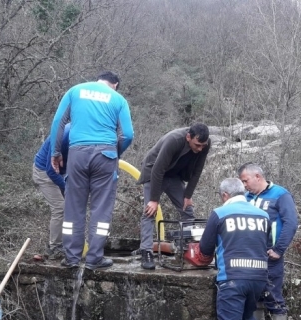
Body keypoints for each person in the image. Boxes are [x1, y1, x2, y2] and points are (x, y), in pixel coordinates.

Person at [49, 71, 134, 270]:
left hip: (77, 153)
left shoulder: (75, 91)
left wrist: (55, 152)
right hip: (106, 155)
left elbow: (57, 123)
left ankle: (71, 258)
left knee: (73, 208)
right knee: (101, 209)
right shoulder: (118, 99)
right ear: (115, 84)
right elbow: (128, 135)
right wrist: (115, 153)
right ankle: (94, 258)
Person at [198, 178, 270, 320]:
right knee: (249, 318)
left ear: (225, 196)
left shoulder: (220, 214)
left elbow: (204, 250)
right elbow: (265, 245)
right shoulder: (263, 215)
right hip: (258, 278)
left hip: (232, 280)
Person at [238, 163, 298, 320]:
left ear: (257, 176)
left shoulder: (280, 194)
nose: (244, 185)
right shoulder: (245, 198)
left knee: (274, 298)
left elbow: (291, 222)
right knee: (254, 299)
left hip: (270, 257)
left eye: (245, 181)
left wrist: (279, 249)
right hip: (249, 257)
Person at [137, 123, 211, 270]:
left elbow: (197, 171)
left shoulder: (205, 144)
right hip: (154, 172)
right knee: (150, 212)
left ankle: (186, 249)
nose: (200, 148)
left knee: (187, 211)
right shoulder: (174, 140)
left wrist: (188, 196)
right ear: (188, 137)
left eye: (203, 145)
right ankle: (146, 251)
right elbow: (157, 170)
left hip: (174, 175)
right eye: (197, 145)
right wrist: (154, 200)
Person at [32, 123, 71, 260]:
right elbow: (51, 171)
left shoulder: (84, 135)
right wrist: (67, 188)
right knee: (60, 208)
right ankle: (55, 247)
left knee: (71, 206)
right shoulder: (63, 137)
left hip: (60, 172)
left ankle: (69, 242)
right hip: (44, 173)